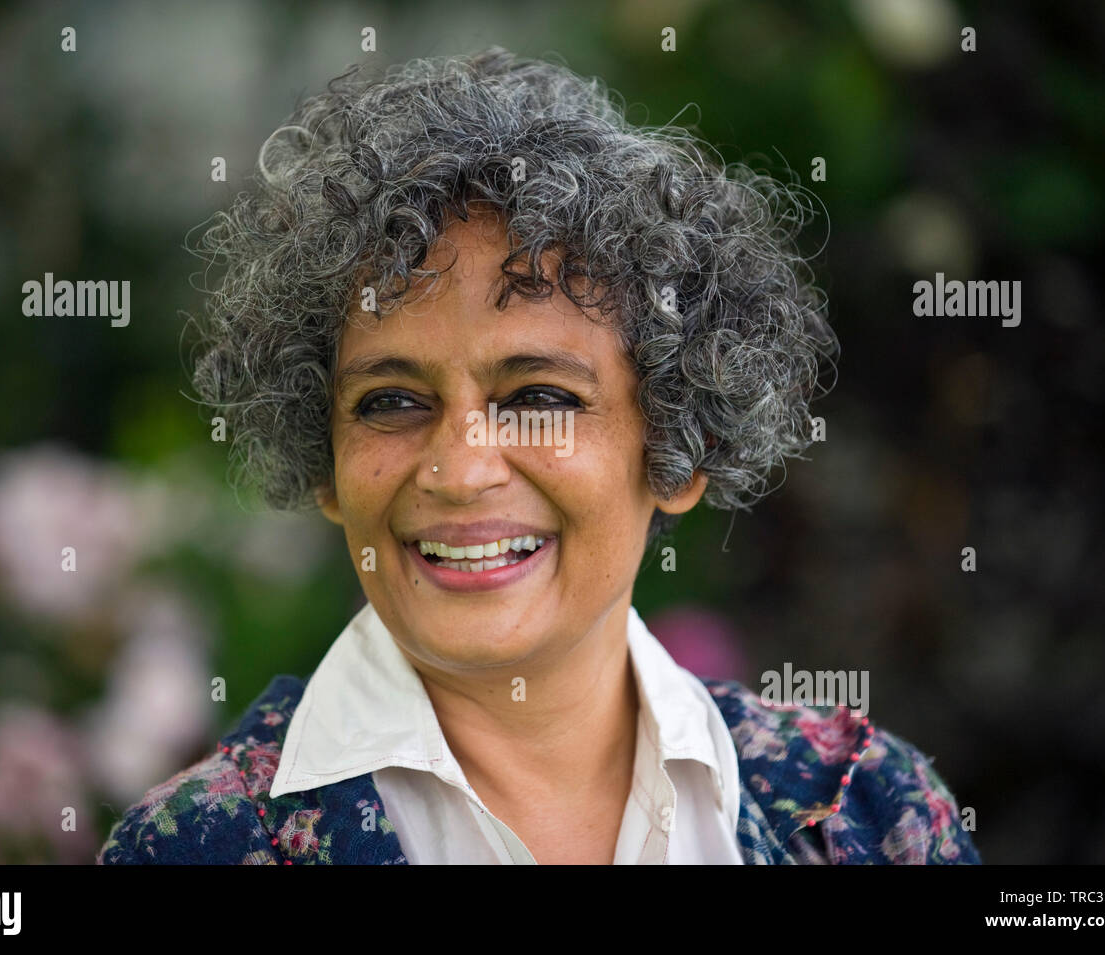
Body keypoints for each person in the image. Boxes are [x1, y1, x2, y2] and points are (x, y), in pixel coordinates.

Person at [98, 47, 979, 865]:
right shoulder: (196, 846)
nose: (460, 468)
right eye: (392, 401)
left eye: (538, 399)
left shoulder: (868, 814)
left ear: (677, 447)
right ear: (324, 464)